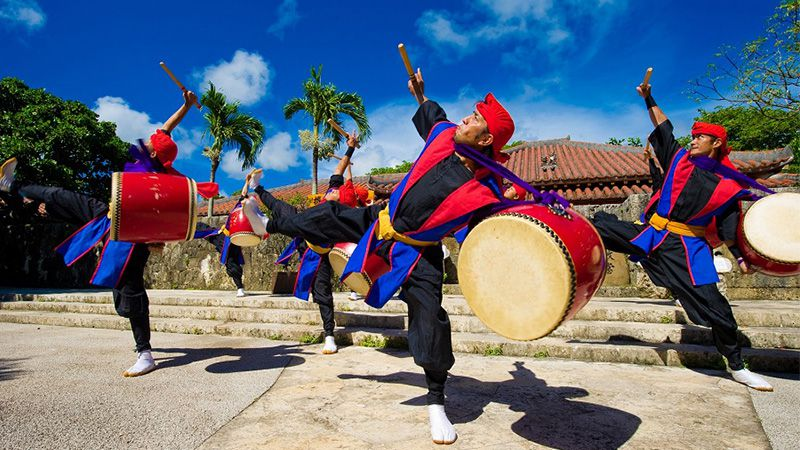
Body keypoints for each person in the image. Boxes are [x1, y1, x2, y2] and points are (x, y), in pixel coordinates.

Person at [240, 70, 515, 445]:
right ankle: (266, 226)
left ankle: (436, 403)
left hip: (420, 252)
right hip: (380, 220)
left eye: (476, 118)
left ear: (485, 139)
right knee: (325, 216)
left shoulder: (487, 189)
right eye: (471, 112)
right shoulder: (444, 136)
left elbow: (496, 232)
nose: (466, 117)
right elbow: (433, 115)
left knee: (430, 320)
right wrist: (420, 94)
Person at [0, 90, 212, 377]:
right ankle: (14, 189)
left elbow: (168, 216)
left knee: (130, 290)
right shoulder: (150, 159)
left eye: (152, 142)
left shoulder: (162, 181)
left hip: (132, 237)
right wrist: (185, 105)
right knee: (58, 197)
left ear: (153, 153)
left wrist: (156, 240)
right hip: (108, 215)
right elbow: (167, 127)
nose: (149, 139)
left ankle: (145, 354)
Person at [590, 81, 773, 392]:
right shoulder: (678, 158)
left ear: (716, 143)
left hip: (688, 248)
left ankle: (737, 366)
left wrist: (741, 257)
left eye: (700, 137)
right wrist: (649, 98)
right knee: (600, 226)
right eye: (694, 135)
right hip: (652, 234)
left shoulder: (729, 185)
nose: (694, 140)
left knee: (719, 311)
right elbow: (664, 127)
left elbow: (729, 225)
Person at [249, 131, 363, 355]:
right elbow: (340, 169)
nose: (330, 192)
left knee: (323, 292)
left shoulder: (343, 216)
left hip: (321, 251)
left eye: (334, 194)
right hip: (304, 229)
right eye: (332, 191)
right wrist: (350, 148)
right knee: (280, 207)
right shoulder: (334, 190)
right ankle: (257, 188)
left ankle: (329, 335)